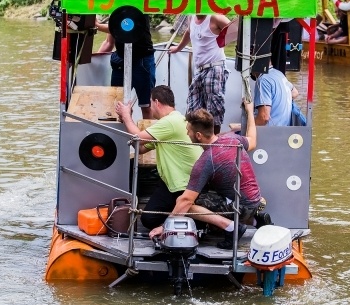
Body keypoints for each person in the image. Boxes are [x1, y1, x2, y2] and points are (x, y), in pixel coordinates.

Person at [148, 106, 271, 250]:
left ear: (198, 135)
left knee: (187, 204)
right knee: (206, 194)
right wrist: (250, 111)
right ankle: (257, 221)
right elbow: (252, 140)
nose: (187, 133)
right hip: (255, 202)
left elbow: (186, 201)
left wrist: (165, 227)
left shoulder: (206, 160)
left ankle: (232, 228)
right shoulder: (232, 139)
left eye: (188, 131)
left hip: (241, 207)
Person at [114, 86, 202, 230]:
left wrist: (126, 116)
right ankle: (172, 223)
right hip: (171, 183)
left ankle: (174, 226)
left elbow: (137, 138)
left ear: (156, 102)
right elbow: (141, 148)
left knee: (157, 219)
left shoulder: (170, 121)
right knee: (148, 219)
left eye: (150, 102)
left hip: (183, 184)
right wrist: (126, 121)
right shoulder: (172, 122)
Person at [170, 13, 232, 134]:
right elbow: (189, 32)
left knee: (214, 109)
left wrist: (224, 40)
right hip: (200, 69)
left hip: (215, 67)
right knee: (193, 109)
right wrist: (178, 48)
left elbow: (236, 29)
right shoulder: (191, 17)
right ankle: (199, 143)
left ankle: (215, 140)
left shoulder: (215, 18)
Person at [96, 17, 156, 120]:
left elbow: (126, 27)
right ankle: (123, 133)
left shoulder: (138, 7)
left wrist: (98, 25)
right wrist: (93, 61)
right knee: (119, 106)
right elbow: (109, 42)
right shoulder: (116, 11)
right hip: (120, 59)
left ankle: (145, 134)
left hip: (142, 59)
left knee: (146, 106)